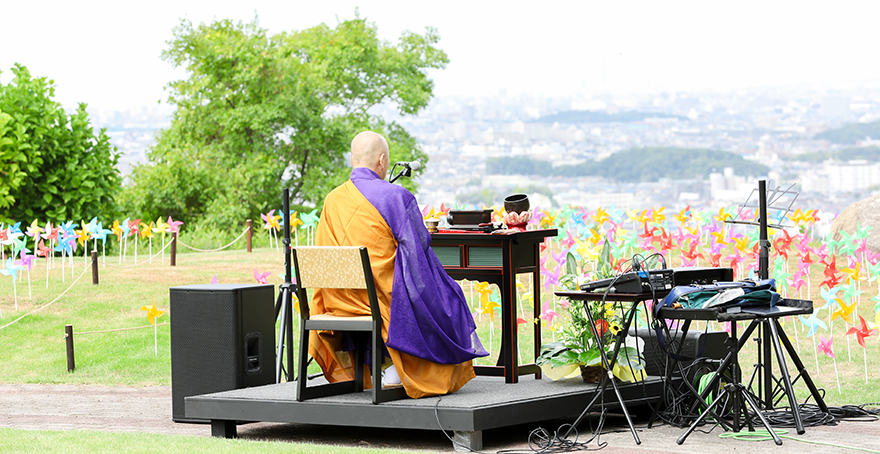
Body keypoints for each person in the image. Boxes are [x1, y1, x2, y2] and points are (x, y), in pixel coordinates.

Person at [308, 131, 488, 399]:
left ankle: (378, 366)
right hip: (380, 301)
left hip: (339, 301)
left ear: (352, 160)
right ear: (382, 161)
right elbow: (419, 248)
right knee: (448, 294)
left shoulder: (333, 199)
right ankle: (404, 369)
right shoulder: (395, 196)